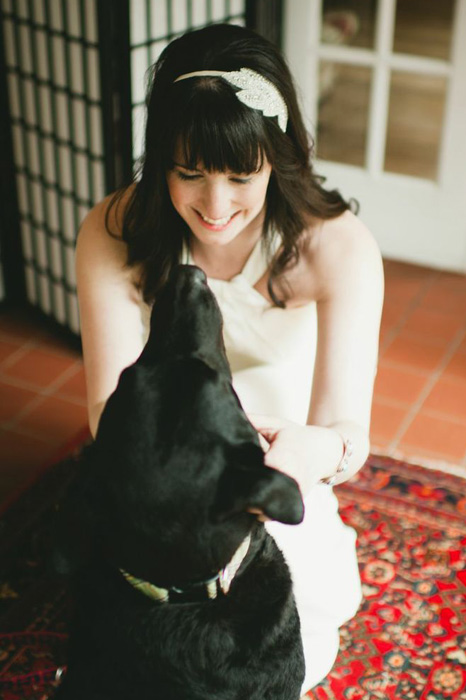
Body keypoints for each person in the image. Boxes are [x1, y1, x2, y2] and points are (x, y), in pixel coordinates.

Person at [76, 23, 384, 696]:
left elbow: (350, 435)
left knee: (285, 642)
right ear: (160, 161)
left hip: (272, 480)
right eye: (190, 174)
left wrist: (314, 452)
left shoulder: (339, 248)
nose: (216, 207)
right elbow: (110, 417)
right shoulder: (111, 232)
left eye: (241, 176)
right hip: (161, 476)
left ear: (281, 158)